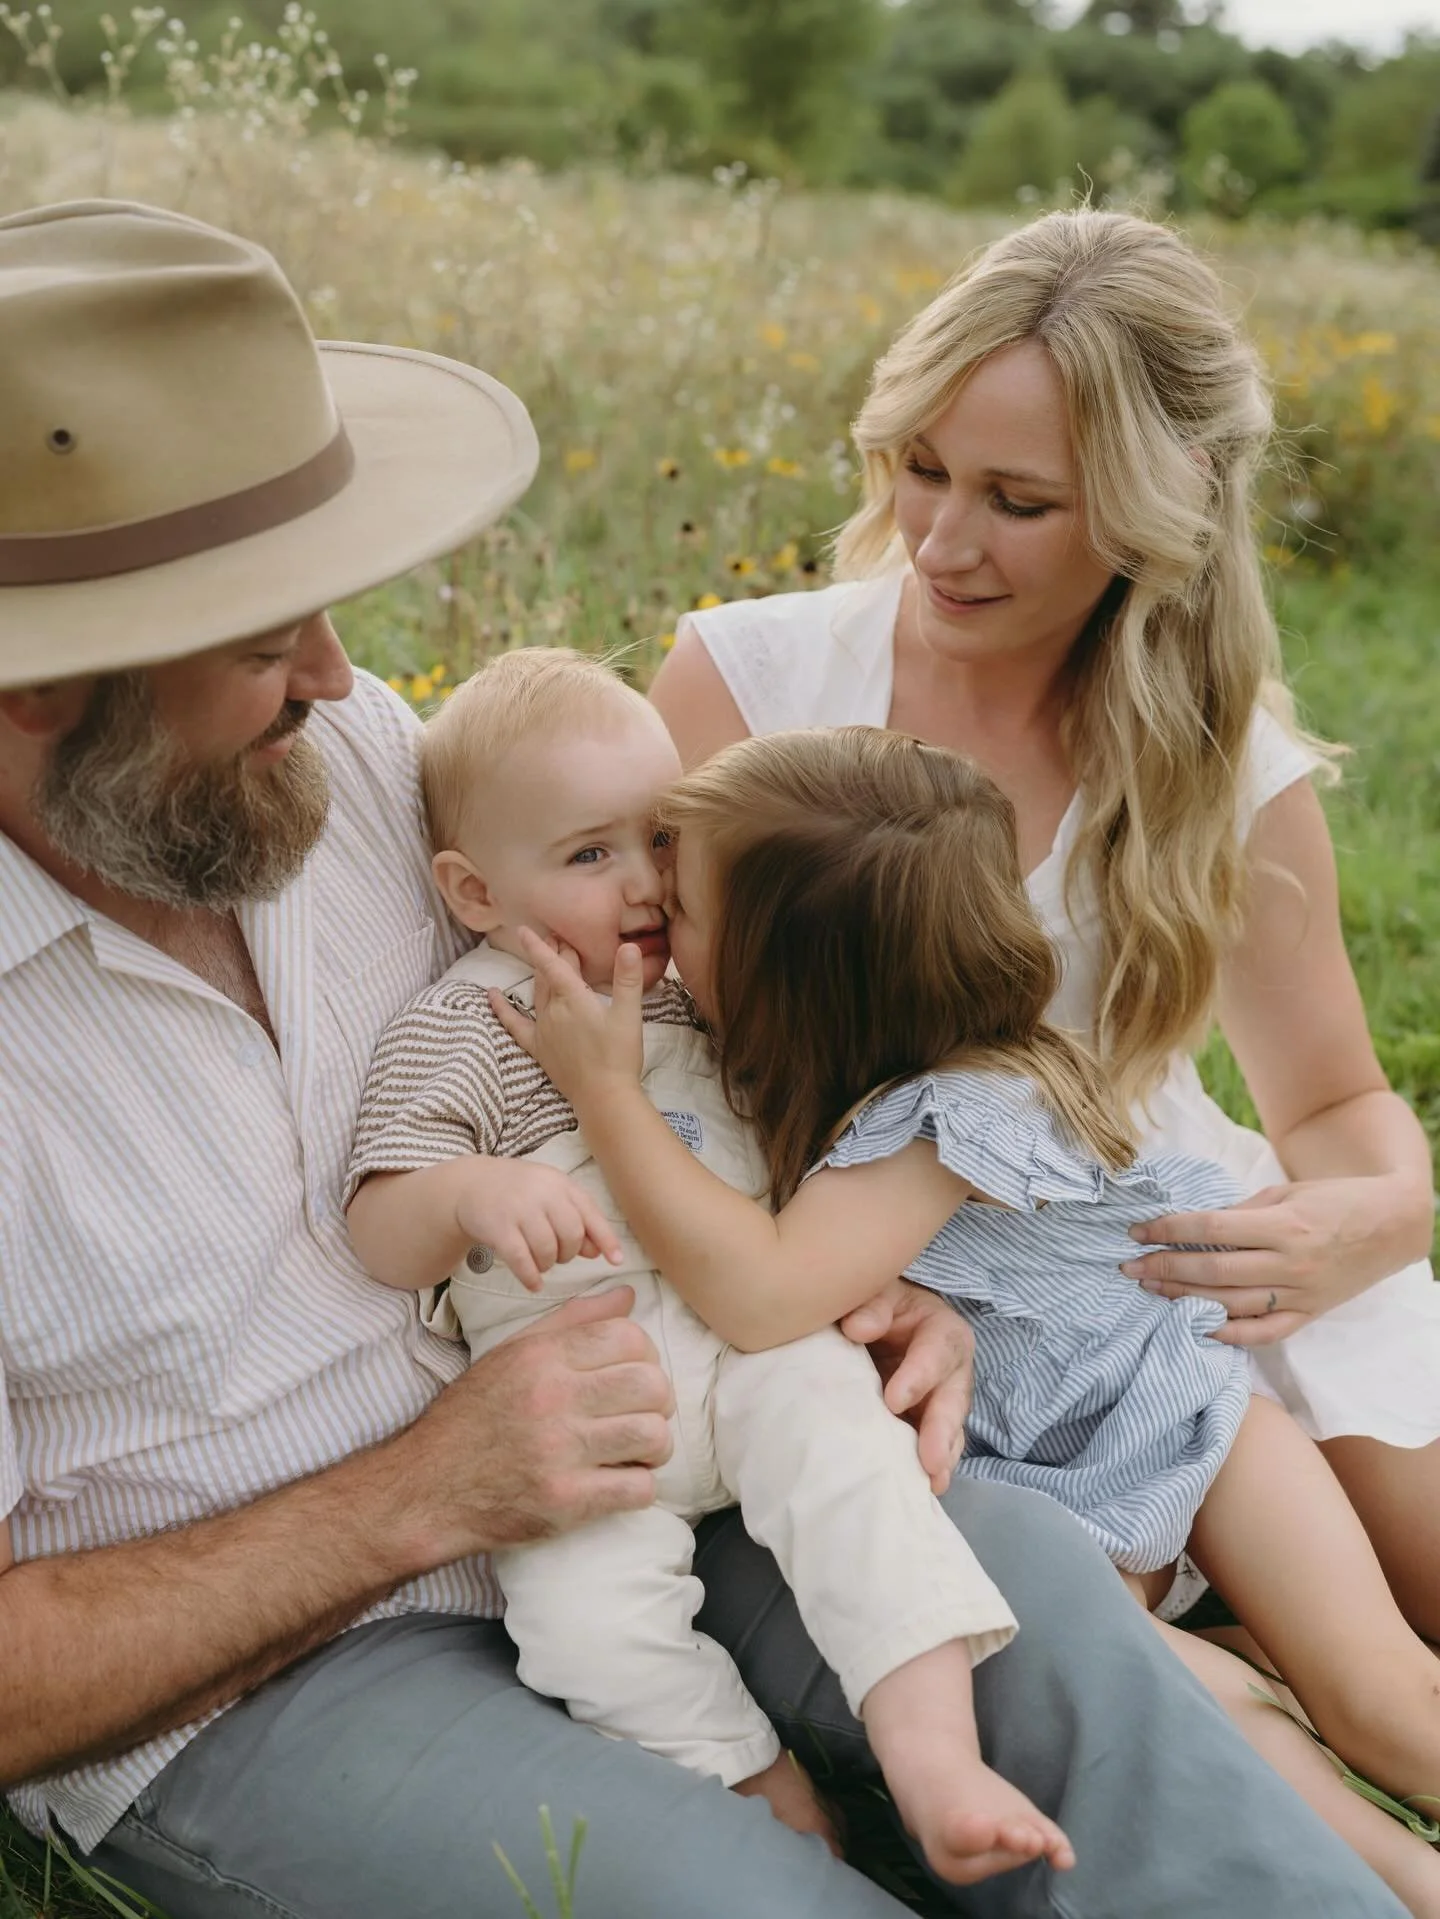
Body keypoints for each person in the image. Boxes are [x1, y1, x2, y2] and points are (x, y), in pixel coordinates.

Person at [0, 193, 1413, 1919]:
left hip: (699, 1437)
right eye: (259, 640)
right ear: (39, 686)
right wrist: (415, 1490)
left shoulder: (358, 756)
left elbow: (685, 1017)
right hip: (288, 1667)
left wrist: (895, 1282)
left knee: (1053, 1634)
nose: (344, 671)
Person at [490, 724, 1440, 1916]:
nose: (651, 921)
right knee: (1183, 1704)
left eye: (679, 908)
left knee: (1386, 1695)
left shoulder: (952, 1109)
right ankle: (1406, 1875)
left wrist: (608, 1094)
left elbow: (763, 1288)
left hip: (1173, 1407)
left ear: (787, 971)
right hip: (1041, 1488)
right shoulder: (778, 1081)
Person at [649, 207, 1440, 1634]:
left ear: (1164, 505)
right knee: (1113, 1648)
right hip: (886, 1279)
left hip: (1181, 1257)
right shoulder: (746, 685)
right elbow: (651, 1035)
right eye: (923, 469)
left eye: (1018, 502)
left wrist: (1375, 1215)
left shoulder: (1216, 762)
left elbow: (1334, 1096)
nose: (941, 541)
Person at [345, 648, 1074, 1888]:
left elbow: (809, 1189)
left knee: (859, 1475)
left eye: (657, 840)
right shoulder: (461, 1025)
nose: (642, 886)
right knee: (581, 1623)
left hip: (757, 1360)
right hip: (580, 1408)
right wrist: (471, 1190)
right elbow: (376, 1221)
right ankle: (756, 1782)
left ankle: (934, 1752)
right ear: (473, 891)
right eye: (588, 855)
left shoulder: (701, 997)